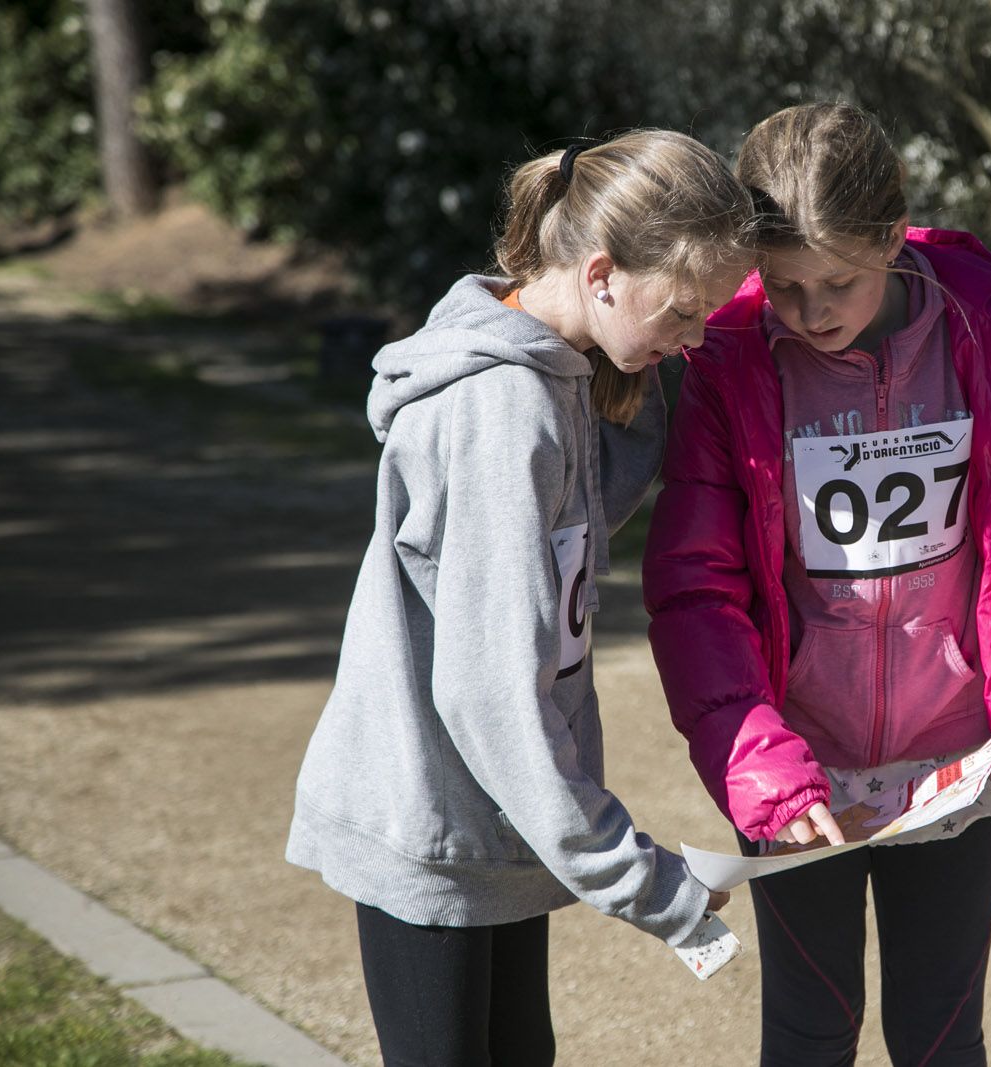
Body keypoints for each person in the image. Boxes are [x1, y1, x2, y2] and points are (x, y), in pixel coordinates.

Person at [643, 103, 991, 1066]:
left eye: (839, 283)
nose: (812, 312)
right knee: (810, 1034)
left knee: (941, 1038)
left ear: (895, 241)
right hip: (801, 779)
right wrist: (762, 767)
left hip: (952, 767)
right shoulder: (729, 365)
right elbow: (698, 590)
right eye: (784, 286)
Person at [286, 130, 755, 1067]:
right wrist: (642, 879)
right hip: (436, 828)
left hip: (493, 825)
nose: (696, 337)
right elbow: (489, 692)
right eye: (685, 310)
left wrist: (646, 375)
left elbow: (578, 525)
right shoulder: (507, 411)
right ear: (601, 273)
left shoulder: (560, 378)